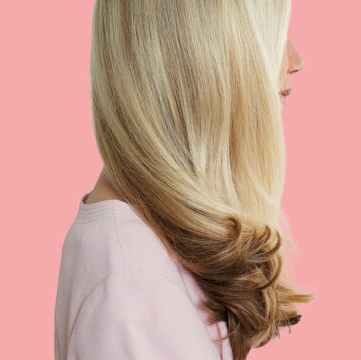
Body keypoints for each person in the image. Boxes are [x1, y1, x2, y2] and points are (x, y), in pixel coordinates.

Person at [54, 1, 313, 360]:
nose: (295, 60)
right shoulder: (134, 288)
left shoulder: (143, 248)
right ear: (207, 54)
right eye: (273, 35)